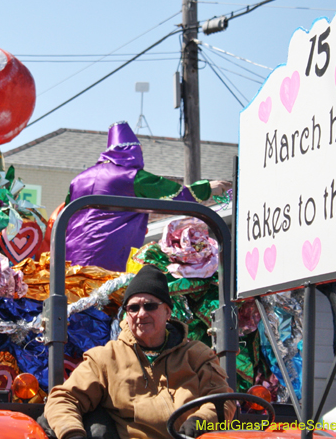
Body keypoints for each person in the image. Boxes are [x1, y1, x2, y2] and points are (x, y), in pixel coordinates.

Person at [44, 264, 235, 439]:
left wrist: (201, 420)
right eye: (133, 308)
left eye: (150, 306)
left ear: (168, 312)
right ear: (126, 315)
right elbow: (63, 399)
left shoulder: (196, 355)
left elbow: (223, 399)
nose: (141, 314)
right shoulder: (105, 358)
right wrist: (72, 433)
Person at [65, 122, 231, 272]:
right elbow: (175, 195)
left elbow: (65, 215)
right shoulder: (131, 177)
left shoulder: (78, 180)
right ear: (131, 152)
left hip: (71, 258)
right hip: (108, 257)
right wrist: (207, 188)